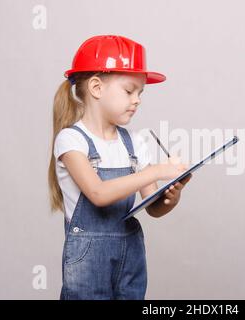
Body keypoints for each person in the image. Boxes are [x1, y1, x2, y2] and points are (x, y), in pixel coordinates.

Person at [47, 34, 192, 300]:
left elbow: (154, 207)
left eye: (140, 93)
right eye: (129, 91)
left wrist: (171, 197)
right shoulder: (71, 140)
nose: (137, 100)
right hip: (89, 262)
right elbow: (99, 194)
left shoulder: (135, 143)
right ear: (96, 88)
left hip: (130, 256)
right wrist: (157, 171)